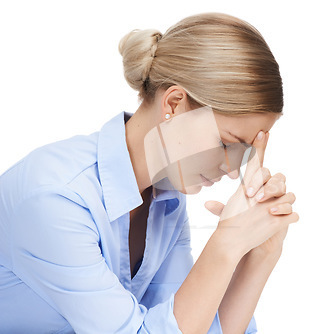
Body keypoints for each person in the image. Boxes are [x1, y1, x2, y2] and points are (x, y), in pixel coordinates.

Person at [0, 12, 299, 334]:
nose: (230, 171)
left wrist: (259, 255)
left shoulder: (165, 199)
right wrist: (226, 243)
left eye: (246, 154)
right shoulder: (55, 197)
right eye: (227, 144)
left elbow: (191, 325)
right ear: (173, 103)